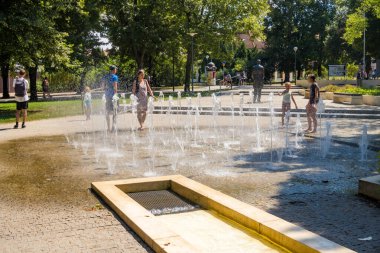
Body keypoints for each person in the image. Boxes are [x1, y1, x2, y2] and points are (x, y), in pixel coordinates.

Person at [102, 65, 118, 132]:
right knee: (115, 112)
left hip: (107, 96)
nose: (116, 70)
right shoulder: (115, 77)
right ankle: (113, 127)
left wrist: (106, 88)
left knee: (107, 112)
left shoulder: (105, 76)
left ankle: (108, 127)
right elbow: (115, 87)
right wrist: (116, 94)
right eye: (115, 69)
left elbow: (103, 86)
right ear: (113, 70)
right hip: (113, 96)